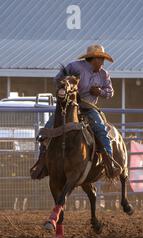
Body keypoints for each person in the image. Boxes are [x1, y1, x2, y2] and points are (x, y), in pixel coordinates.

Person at [30, 44, 120, 179]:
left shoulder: (103, 74)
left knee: (101, 130)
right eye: (100, 59)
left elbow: (110, 92)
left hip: (89, 107)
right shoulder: (74, 67)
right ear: (93, 58)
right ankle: (41, 161)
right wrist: (66, 86)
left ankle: (109, 162)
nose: (102, 62)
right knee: (49, 127)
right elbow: (57, 79)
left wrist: (100, 92)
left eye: (103, 59)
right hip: (69, 105)